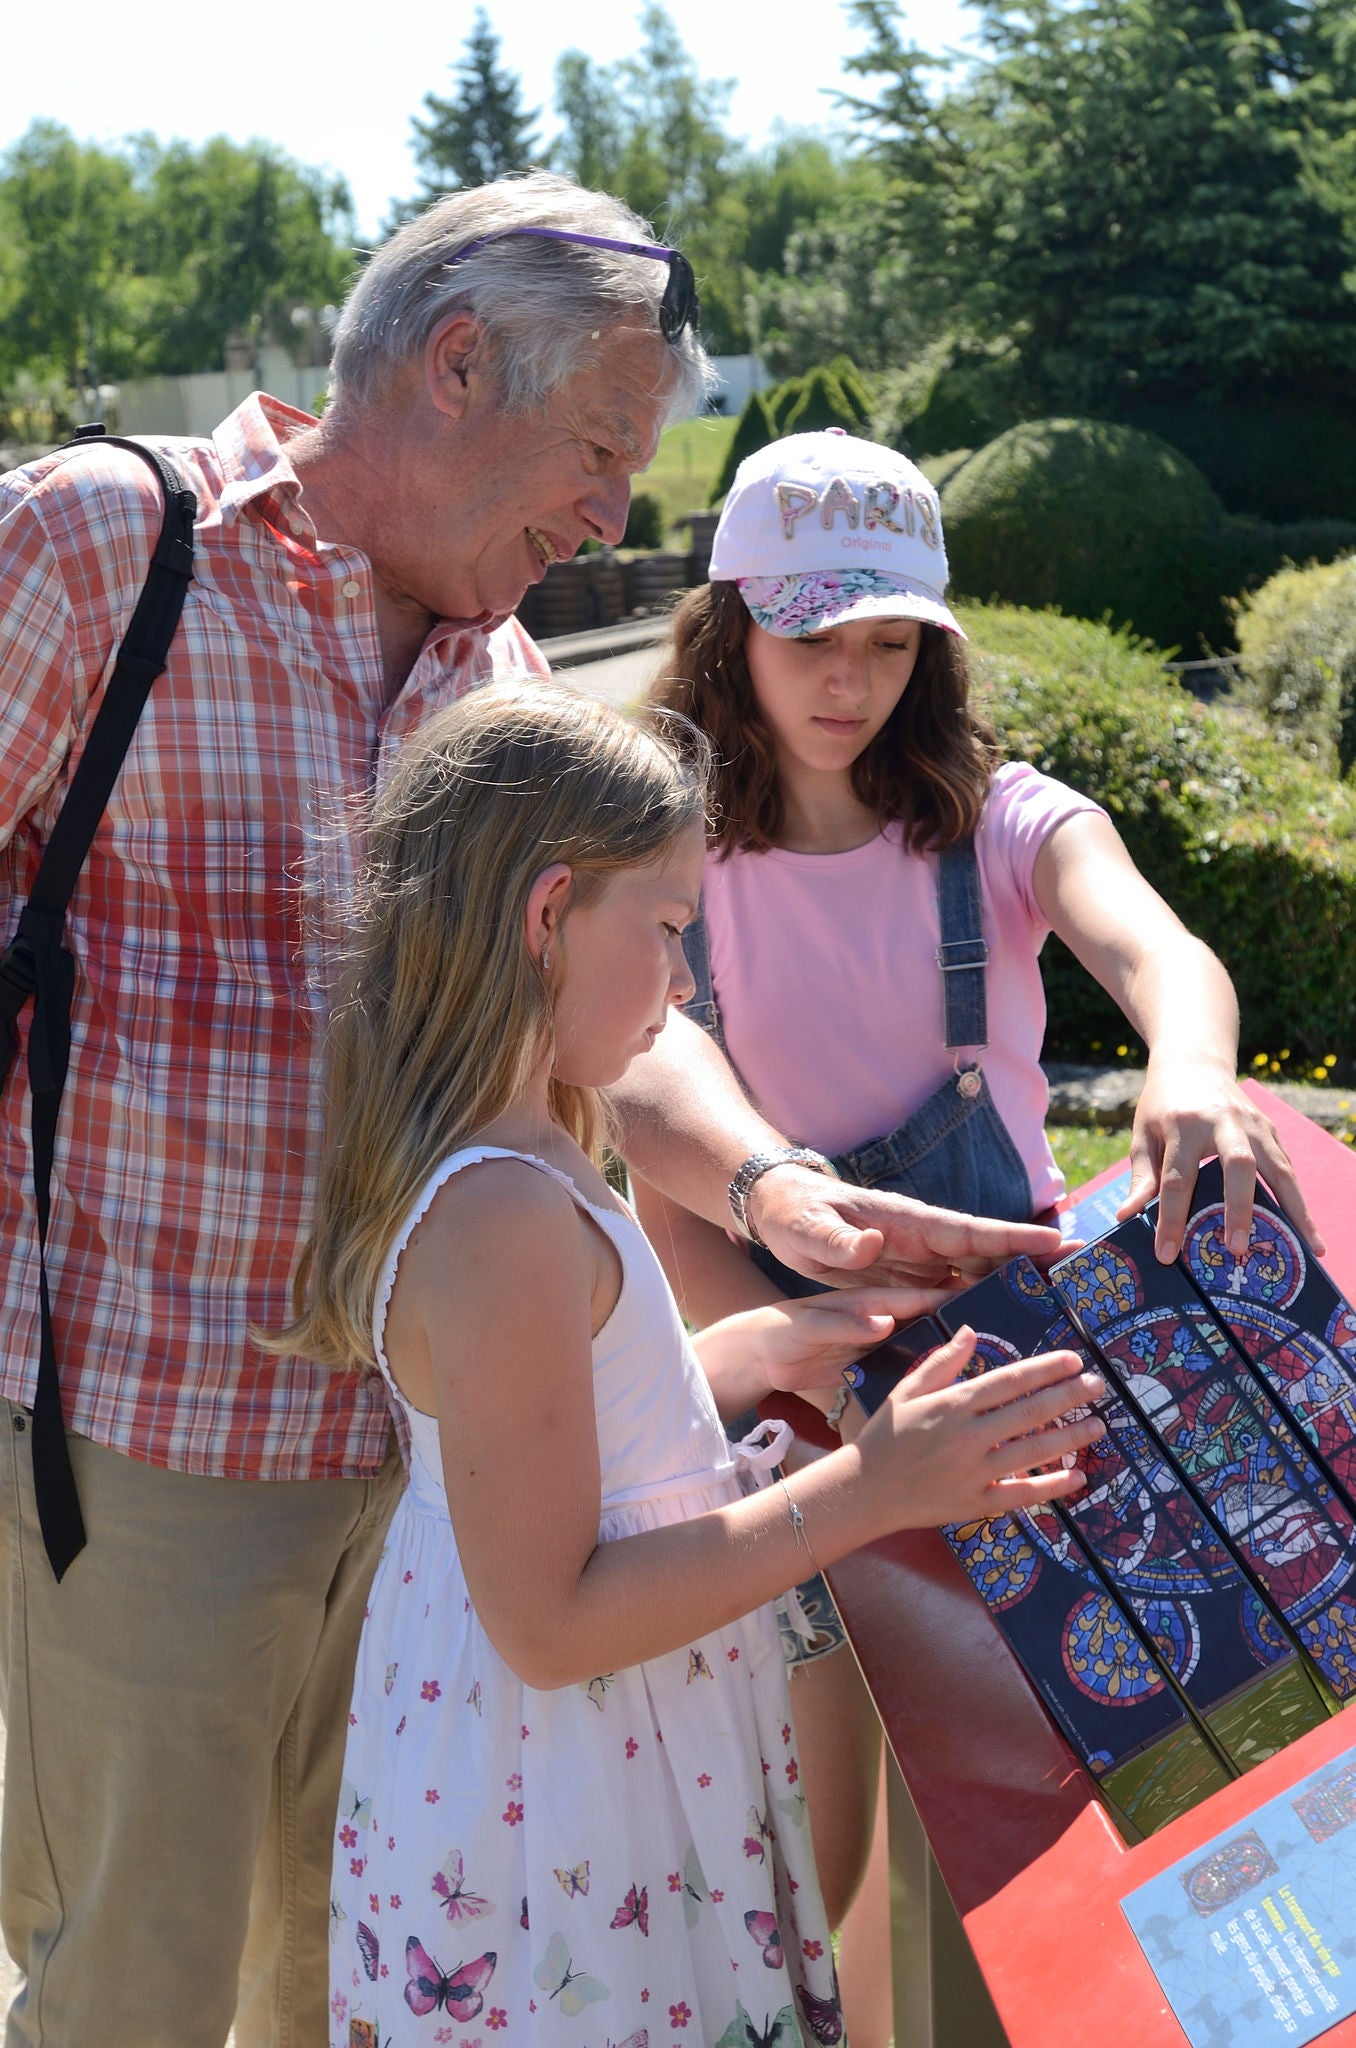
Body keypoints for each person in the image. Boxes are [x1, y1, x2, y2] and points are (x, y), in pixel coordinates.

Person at [0, 186, 1067, 2047]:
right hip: (157, 1442)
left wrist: (775, 1187)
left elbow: (599, 1031)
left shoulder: (492, 678)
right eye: (597, 451)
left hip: (442, 1475)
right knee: (138, 1990)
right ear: (455, 361)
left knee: (360, 1986)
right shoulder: (103, 545)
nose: (605, 516)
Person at [277, 678, 1107, 2048]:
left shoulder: (528, 1151)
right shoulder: (504, 1217)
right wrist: (871, 1490)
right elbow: (551, 1621)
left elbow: (565, 1440)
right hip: (574, 1810)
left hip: (568, 1775)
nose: (681, 982)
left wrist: (744, 1352)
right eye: (666, 931)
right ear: (548, 918)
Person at [635, 428, 1320, 2045]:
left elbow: (1155, 944)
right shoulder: (660, 846)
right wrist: (820, 1384)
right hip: (768, 1400)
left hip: (1028, 1387)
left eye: (891, 642)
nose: (850, 679)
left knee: (1059, 1808)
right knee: (815, 1845)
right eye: (813, 635)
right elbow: (642, 1122)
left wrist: (1196, 1068)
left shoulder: (998, 818)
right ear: (730, 620)